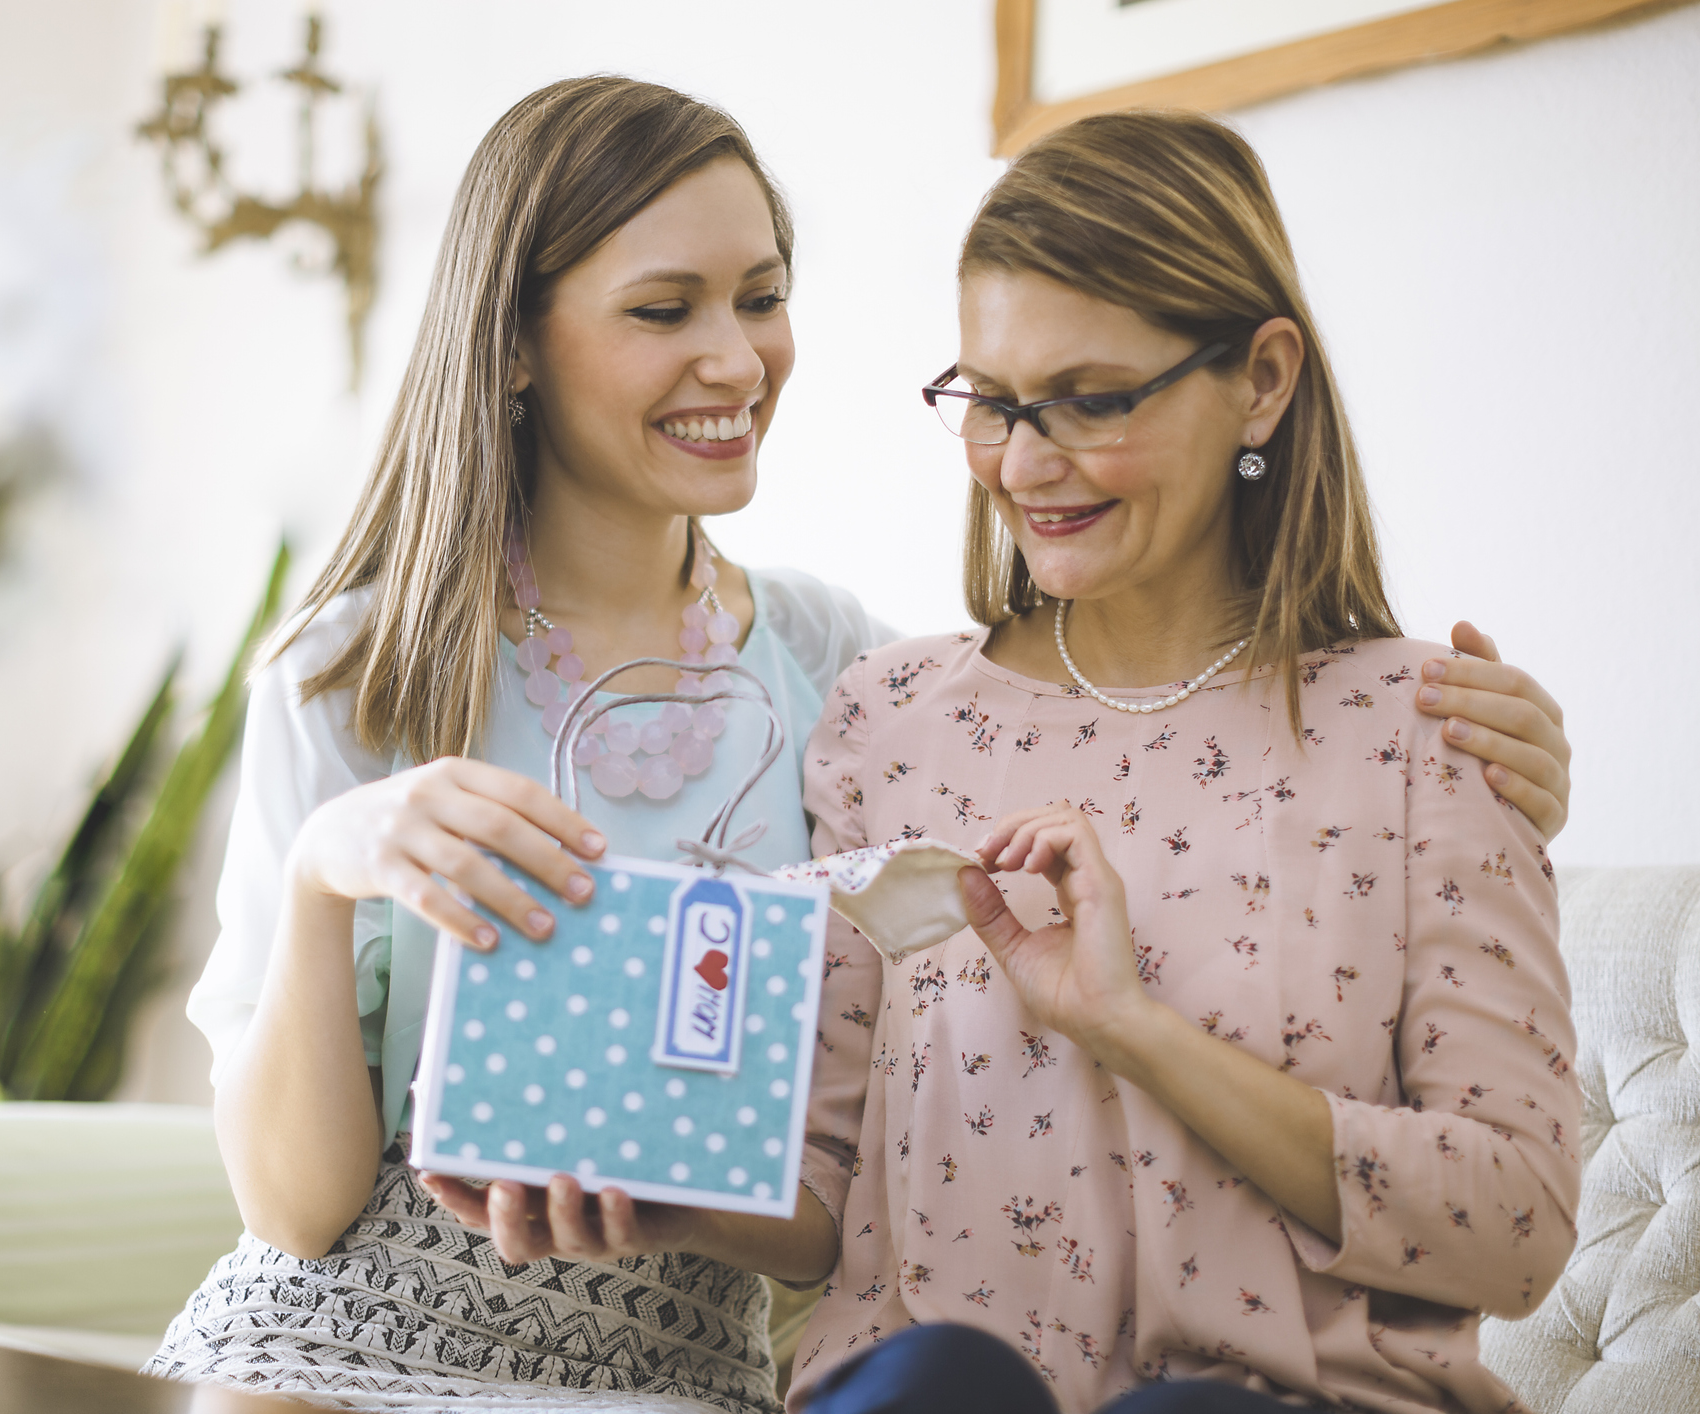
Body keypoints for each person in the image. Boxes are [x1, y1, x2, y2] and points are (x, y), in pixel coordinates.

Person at [147, 78, 1575, 1410]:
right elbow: (301, 1207)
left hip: (687, 1355)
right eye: (664, 308)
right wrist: (325, 870)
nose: (735, 356)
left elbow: (1101, 751)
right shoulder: (381, 677)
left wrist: (1481, 779)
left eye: (762, 297)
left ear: (1260, 381)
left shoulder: (841, 672)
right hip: (359, 1332)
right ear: (511, 342)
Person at [785, 111, 1581, 1413]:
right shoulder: (890, 720)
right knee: (932, 1379)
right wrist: (636, 1196)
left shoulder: (1424, 730)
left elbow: (1517, 1223)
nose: (1022, 463)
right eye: (990, 402)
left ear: (1260, 379)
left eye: (1092, 400)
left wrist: (1131, 1029)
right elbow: (815, 1183)